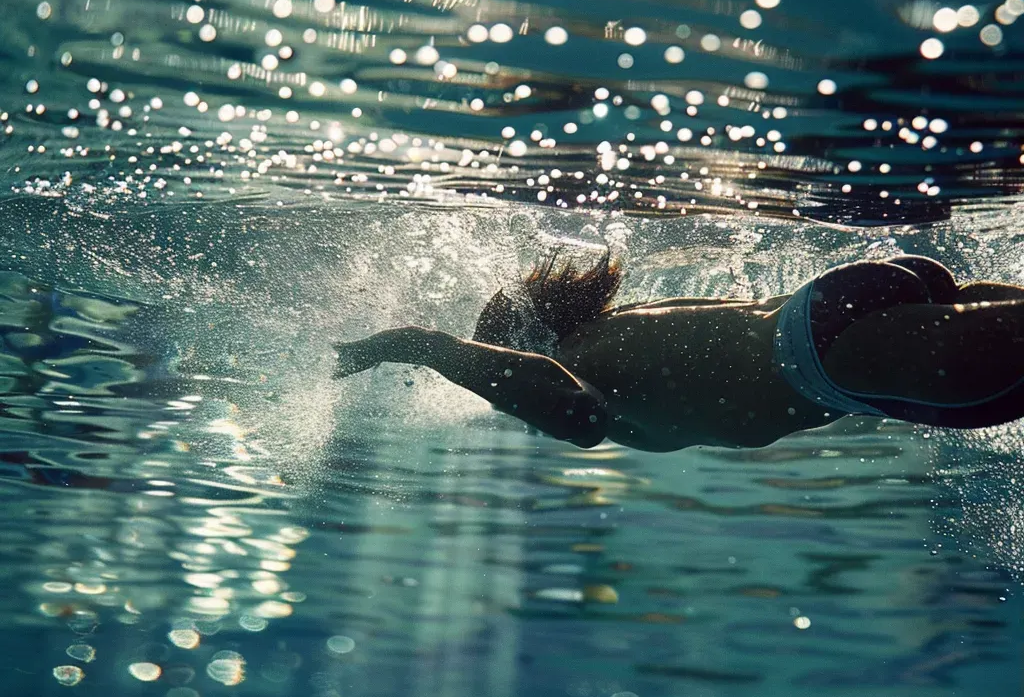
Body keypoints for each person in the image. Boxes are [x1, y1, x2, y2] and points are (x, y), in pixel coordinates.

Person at [332, 252, 1024, 452]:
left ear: (521, 344)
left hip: (828, 352)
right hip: (845, 345)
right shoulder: (624, 329)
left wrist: (423, 346)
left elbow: (575, 414)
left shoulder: (584, 361)